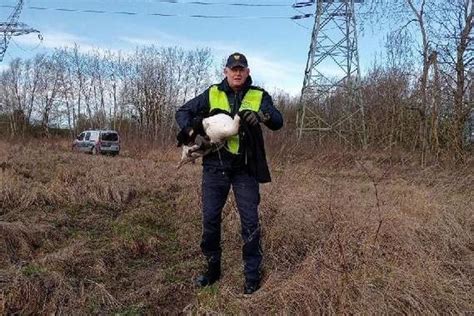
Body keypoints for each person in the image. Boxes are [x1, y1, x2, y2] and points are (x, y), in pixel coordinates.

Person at [175, 52, 283, 294]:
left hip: (246, 169)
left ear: (247, 71)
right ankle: (213, 270)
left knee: (250, 223)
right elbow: (182, 112)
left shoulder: (259, 95)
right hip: (215, 168)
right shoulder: (212, 93)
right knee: (210, 220)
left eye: (241, 69)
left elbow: (277, 120)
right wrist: (191, 127)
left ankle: (252, 276)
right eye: (233, 68)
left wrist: (261, 116)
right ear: (225, 71)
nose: (237, 72)